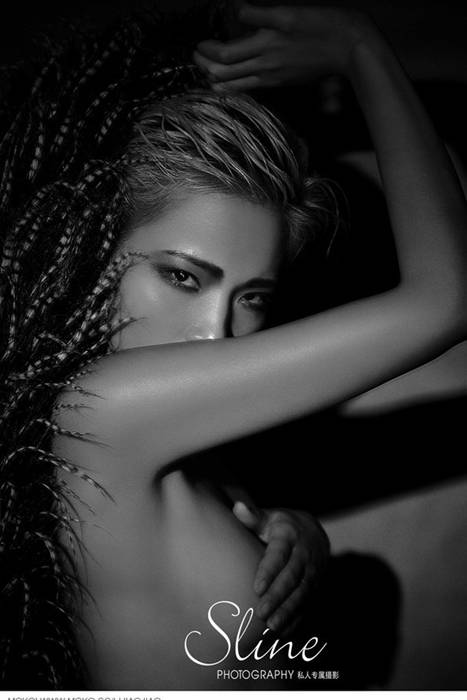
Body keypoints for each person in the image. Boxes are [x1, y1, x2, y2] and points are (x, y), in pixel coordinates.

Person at [1, 0, 466, 691]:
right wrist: (361, 49)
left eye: (252, 298)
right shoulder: (98, 412)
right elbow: (447, 299)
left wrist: (289, 535)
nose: (215, 334)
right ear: (94, 251)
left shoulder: (165, 448)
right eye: (182, 277)